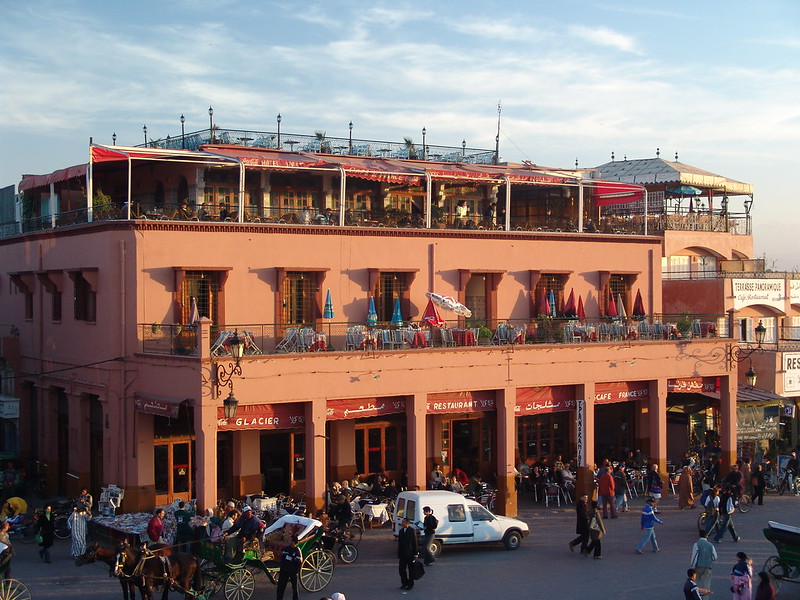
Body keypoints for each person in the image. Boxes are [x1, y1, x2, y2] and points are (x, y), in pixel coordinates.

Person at [276, 534, 302, 600]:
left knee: (295, 588)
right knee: (280, 587)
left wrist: (294, 571)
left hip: (292, 572)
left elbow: (298, 562)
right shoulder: (287, 548)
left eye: (290, 540)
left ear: (293, 542)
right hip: (284, 570)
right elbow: (283, 558)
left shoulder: (297, 551)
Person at [397, 517, 418, 591]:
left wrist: (416, 554)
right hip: (402, 554)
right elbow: (399, 543)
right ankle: (404, 583)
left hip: (410, 554)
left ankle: (410, 584)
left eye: (403, 522)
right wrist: (399, 553)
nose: (402, 523)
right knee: (401, 569)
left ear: (407, 523)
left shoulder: (412, 531)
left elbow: (415, 543)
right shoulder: (401, 531)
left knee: (411, 570)